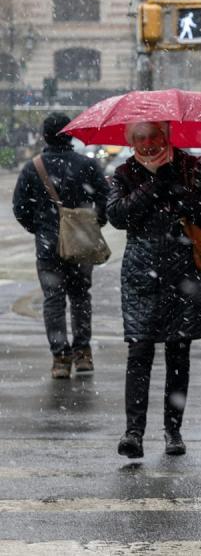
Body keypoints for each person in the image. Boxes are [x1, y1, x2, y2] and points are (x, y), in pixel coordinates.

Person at [107, 121, 201, 459]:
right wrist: (155, 184)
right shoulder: (124, 172)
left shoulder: (189, 166)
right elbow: (117, 215)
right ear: (132, 142)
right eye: (139, 138)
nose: (147, 144)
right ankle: (134, 432)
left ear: (166, 136)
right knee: (139, 351)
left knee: (178, 353)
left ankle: (173, 431)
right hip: (142, 275)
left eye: (154, 137)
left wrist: (182, 193)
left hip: (182, 273)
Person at [13, 113, 109, 379]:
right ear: (71, 134)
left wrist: (41, 228)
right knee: (80, 298)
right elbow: (104, 198)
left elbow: (20, 208)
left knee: (53, 301)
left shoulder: (33, 167)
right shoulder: (86, 165)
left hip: (48, 247)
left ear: (45, 136)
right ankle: (83, 353)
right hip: (81, 244)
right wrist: (93, 223)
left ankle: (60, 358)